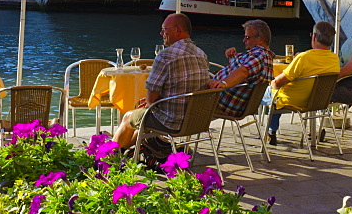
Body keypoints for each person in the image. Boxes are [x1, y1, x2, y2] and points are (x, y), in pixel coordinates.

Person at [114, 13, 209, 149]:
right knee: (144, 115)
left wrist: (150, 104)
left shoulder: (165, 55)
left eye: (165, 29)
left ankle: (108, 155)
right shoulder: (201, 54)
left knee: (129, 117)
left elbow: (151, 98)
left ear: (178, 30)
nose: (161, 32)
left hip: (172, 122)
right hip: (197, 120)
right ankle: (123, 150)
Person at [264, 20, 340, 145]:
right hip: (316, 100)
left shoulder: (303, 58)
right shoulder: (334, 59)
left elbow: (278, 83)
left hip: (295, 100)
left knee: (269, 91)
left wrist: (271, 82)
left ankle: (271, 132)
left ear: (314, 37)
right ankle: (273, 131)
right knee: (276, 94)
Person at [207, 19, 274, 117]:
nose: (244, 40)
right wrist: (233, 57)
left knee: (183, 96)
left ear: (261, 39)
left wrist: (224, 83)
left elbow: (243, 72)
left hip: (221, 103)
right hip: (223, 99)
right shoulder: (260, 55)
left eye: (247, 37)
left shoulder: (260, 55)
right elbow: (243, 69)